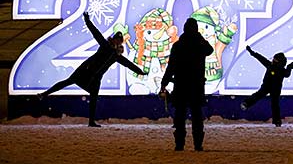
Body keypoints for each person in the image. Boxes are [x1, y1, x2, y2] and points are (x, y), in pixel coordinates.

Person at [37, 12, 147, 127]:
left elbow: (128, 64)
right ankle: (44, 94)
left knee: (94, 98)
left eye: (119, 40)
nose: (117, 41)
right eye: (116, 39)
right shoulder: (105, 45)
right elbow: (95, 33)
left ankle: (91, 121)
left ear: (120, 43)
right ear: (113, 39)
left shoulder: (116, 56)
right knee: (68, 81)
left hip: (96, 78)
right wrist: (87, 20)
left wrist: (140, 72)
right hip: (85, 70)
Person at [160, 18, 213, 151]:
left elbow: (171, 66)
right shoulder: (200, 45)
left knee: (180, 116)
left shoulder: (178, 46)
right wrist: (199, 37)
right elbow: (210, 50)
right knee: (197, 117)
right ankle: (198, 144)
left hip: (181, 84)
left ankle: (179, 144)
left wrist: (164, 82)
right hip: (196, 85)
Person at [240, 45, 293, 127]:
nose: (273, 60)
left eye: (275, 59)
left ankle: (277, 121)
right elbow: (261, 58)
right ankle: (246, 104)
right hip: (267, 87)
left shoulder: (279, 69)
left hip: (275, 89)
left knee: (274, 104)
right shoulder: (271, 66)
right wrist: (252, 52)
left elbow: (287, 74)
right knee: (259, 97)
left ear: (279, 62)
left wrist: (290, 67)